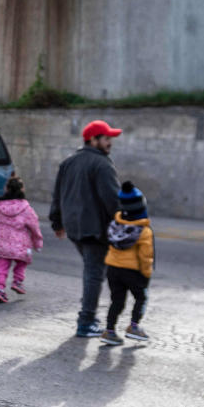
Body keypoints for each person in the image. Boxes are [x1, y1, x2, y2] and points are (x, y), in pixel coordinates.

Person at [49, 119, 122, 338]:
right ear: (93, 139)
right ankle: (86, 321)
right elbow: (112, 200)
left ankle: (88, 310)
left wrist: (57, 222)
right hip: (95, 228)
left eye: (110, 138)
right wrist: (127, 223)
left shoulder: (69, 162)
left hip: (75, 228)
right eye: (106, 138)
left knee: (94, 271)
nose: (110, 142)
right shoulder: (102, 164)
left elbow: (57, 195)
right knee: (94, 273)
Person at [101, 181, 154, 346]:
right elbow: (146, 256)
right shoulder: (144, 231)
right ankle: (134, 326)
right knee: (141, 297)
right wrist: (146, 274)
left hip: (112, 270)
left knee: (117, 301)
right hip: (132, 271)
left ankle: (109, 331)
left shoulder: (115, 224)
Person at [0, 176, 43, 303]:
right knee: (23, 260)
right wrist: (37, 242)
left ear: (6, 189)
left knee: (2, 267)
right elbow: (34, 226)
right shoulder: (26, 208)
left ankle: (0, 290)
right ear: (22, 189)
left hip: (0, 240)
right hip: (19, 242)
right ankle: (18, 281)